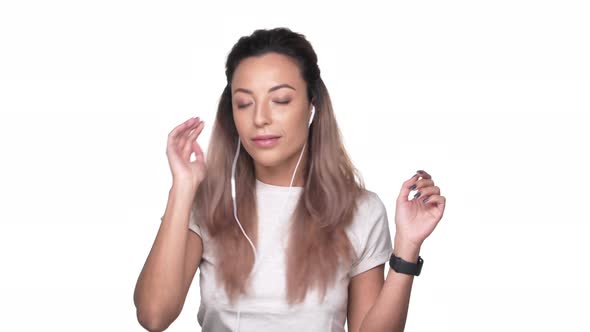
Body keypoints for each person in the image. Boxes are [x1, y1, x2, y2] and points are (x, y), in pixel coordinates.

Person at [133, 27, 446, 332]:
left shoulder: (360, 210)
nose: (260, 119)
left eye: (280, 100)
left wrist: (407, 247)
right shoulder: (207, 203)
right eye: (244, 103)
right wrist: (182, 188)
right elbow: (154, 316)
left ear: (312, 106)